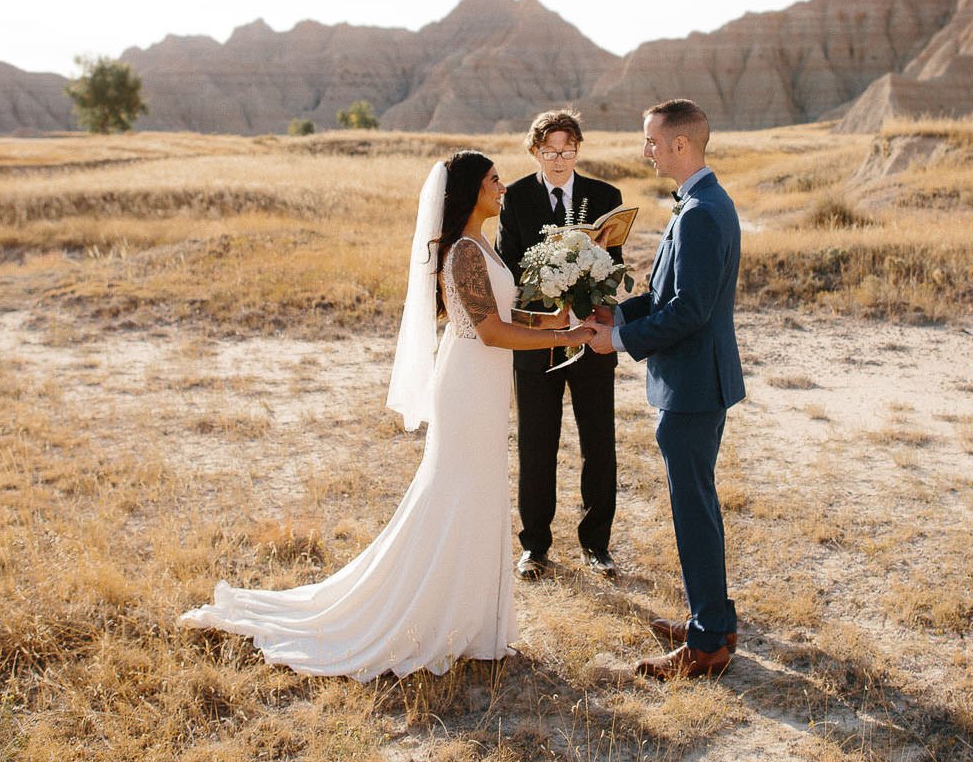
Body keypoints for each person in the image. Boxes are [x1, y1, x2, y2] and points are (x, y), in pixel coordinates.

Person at [178, 151, 593, 680]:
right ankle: (434, 615)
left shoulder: (482, 245)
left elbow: (505, 314)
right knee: (458, 490)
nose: (503, 186)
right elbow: (489, 332)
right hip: (468, 385)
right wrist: (564, 337)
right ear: (469, 191)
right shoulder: (463, 252)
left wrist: (556, 314)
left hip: (485, 384)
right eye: (493, 180)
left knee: (481, 490)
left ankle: (474, 620)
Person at [584, 99, 744, 679]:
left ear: (681, 144)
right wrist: (614, 316)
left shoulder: (701, 212)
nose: (646, 150)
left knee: (692, 509)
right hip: (696, 381)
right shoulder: (700, 203)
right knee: (697, 502)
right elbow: (663, 296)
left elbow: (690, 311)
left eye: (652, 141)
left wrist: (618, 345)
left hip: (694, 385)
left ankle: (705, 646)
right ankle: (715, 620)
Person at [497, 109, 624, 581]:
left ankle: (597, 546)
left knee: (599, 444)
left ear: (578, 150)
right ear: (535, 151)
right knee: (536, 445)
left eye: (568, 150)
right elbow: (509, 265)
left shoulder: (605, 196)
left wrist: (596, 305)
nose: (559, 159)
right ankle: (535, 547)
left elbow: (614, 265)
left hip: (590, 338)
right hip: (535, 343)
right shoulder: (515, 198)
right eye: (550, 151)